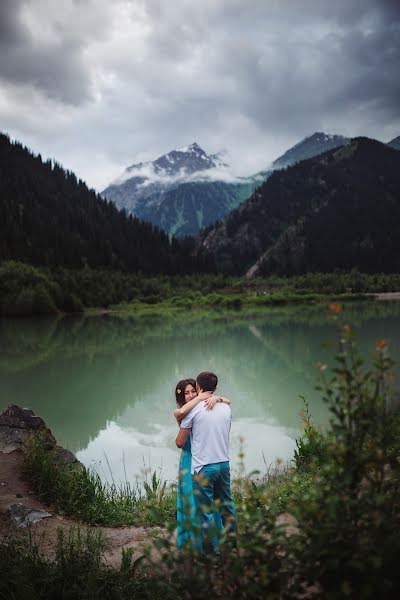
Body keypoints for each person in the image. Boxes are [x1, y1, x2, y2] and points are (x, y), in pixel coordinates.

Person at [175, 372, 237, 555]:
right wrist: (214, 397)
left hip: (202, 467)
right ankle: (231, 546)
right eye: (187, 393)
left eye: (193, 391)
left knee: (205, 512)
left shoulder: (194, 411)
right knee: (227, 506)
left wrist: (208, 398)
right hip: (223, 464)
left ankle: (212, 555)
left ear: (199, 388)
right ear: (215, 388)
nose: (192, 395)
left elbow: (179, 442)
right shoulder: (225, 408)